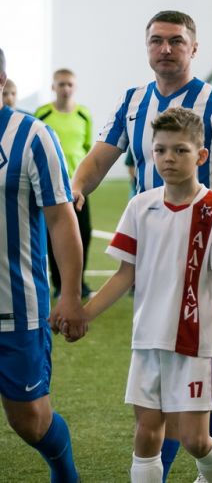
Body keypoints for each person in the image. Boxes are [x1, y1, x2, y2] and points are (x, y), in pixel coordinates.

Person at [70, 9, 212, 478]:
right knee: (165, 396)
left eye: (176, 41)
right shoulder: (133, 101)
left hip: (200, 250)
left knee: (179, 405)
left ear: (193, 48)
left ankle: (209, 454)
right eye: (157, 40)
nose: (166, 49)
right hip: (152, 244)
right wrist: (73, 191)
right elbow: (99, 160)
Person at [83, 107, 212, 482]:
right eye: (160, 150)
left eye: (179, 150)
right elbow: (125, 275)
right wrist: (84, 314)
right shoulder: (140, 206)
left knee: (195, 440)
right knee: (146, 434)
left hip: (194, 343)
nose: (168, 158)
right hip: (147, 339)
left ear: (200, 156)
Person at [0, 47, 86, 483]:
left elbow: (60, 219)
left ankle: (64, 471)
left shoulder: (32, 136)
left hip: (17, 306)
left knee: (30, 421)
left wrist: (69, 295)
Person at [35, 68, 94, 299]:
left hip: (78, 187)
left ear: (75, 87)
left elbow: (88, 148)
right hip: (51, 186)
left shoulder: (84, 115)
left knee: (84, 232)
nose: (66, 88)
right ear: (53, 87)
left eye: (69, 84)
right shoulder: (42, 114)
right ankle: (59, 284)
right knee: (54, 235)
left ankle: (80, 282)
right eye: (61, 84)